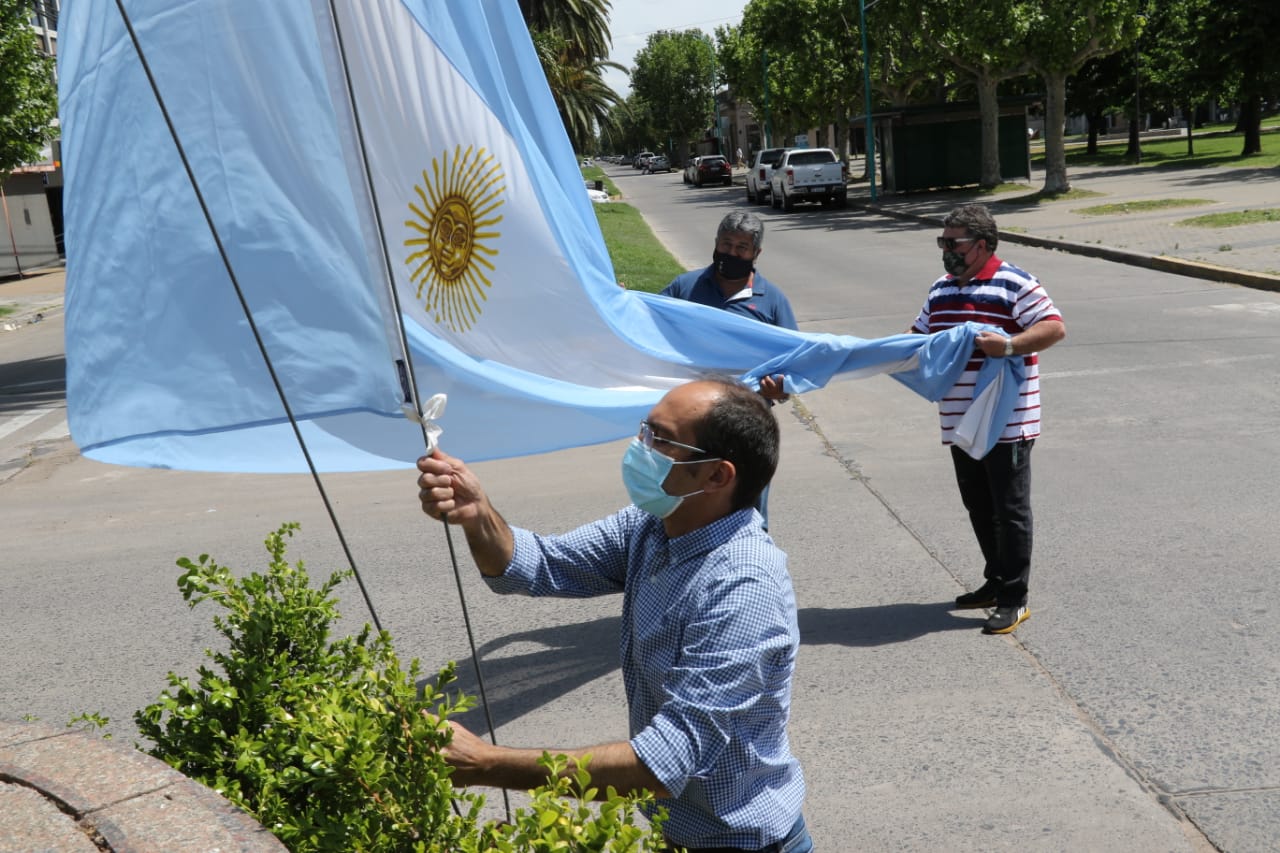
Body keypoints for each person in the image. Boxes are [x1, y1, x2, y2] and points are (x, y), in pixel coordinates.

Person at [416, 378, 811, 853]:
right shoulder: (654, 528)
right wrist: (477, 514)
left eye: (661, 440)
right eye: (644, 430)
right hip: (680, 834)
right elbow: (538, 564)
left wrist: (484, 763)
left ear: (716, 476)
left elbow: (661, 766)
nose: (640, 448)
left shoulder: (742, 588)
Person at [907, 203, 1066, 635]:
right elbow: (918, 337)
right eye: (942, 242)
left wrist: (1010, 346)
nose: (945, 250)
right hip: (959, 420)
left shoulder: (1015, 282)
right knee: (978, 504)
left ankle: (1014, 598)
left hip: (1006, 420)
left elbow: (1053, 327)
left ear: (980, 245)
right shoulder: (941, 289)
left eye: (952, 242)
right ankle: (995, 582)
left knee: (1009, 509)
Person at [660, 211, 798, 530]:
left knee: (746, 511)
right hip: (691, 424)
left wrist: (781, 388)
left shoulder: (773, 301)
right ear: (716, 244)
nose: (732, 253)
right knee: (683, 505)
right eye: (726, 244)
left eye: (741, 247)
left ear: (756, 253)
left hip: (747, 425)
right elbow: (646, 326)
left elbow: (794, 366)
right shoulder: (685, 288)